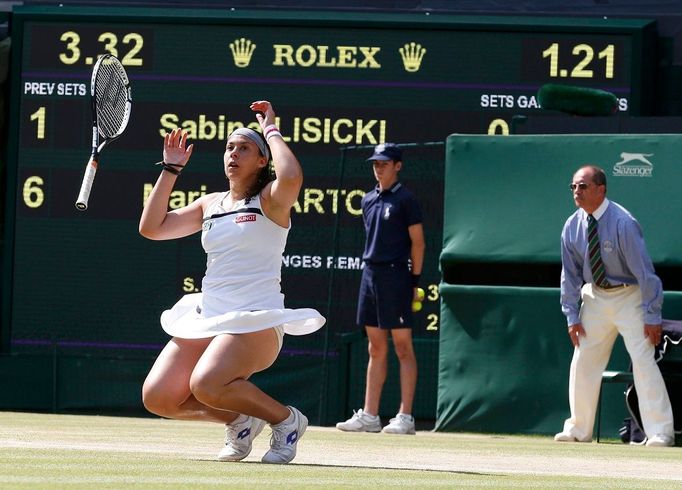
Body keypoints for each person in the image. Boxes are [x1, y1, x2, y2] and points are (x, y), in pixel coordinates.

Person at [139, 100, 325, 464]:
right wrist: (171, 169)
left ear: (262, 160)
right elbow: (151, 228)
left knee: (205, 383)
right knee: (158, 397)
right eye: (229, 147)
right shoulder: (211, 204)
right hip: (209, 316)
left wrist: (271, 130)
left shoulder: (271, 201)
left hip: (256, 319)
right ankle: (240, 420)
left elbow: (292, 177)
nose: (233, 153)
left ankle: (286, 421)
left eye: (244, 148)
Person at [555, 165, 674, 447]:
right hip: (594, 296)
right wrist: (572, 316)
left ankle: (660, 432)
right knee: (583, 360)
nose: (577, 192)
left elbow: (646, 274)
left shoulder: (623, 223)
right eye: (573, 187)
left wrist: (652, 314)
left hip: (629, 295)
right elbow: (569, 275)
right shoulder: (571, 226)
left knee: (643, 360)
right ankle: (578, 429)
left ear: (601, 190)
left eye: (583, 186)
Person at [336, 143, 425, 435]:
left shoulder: (406, 200)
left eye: (384, 163)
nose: (378, 167)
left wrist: (414, 281)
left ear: (397, 166)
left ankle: (406, 416)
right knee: (375, 347)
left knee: (402, 346)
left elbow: (418, 243)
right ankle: (370, 415)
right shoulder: (367, 199)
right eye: (376, 163)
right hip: (370, 275)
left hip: (397, 276)